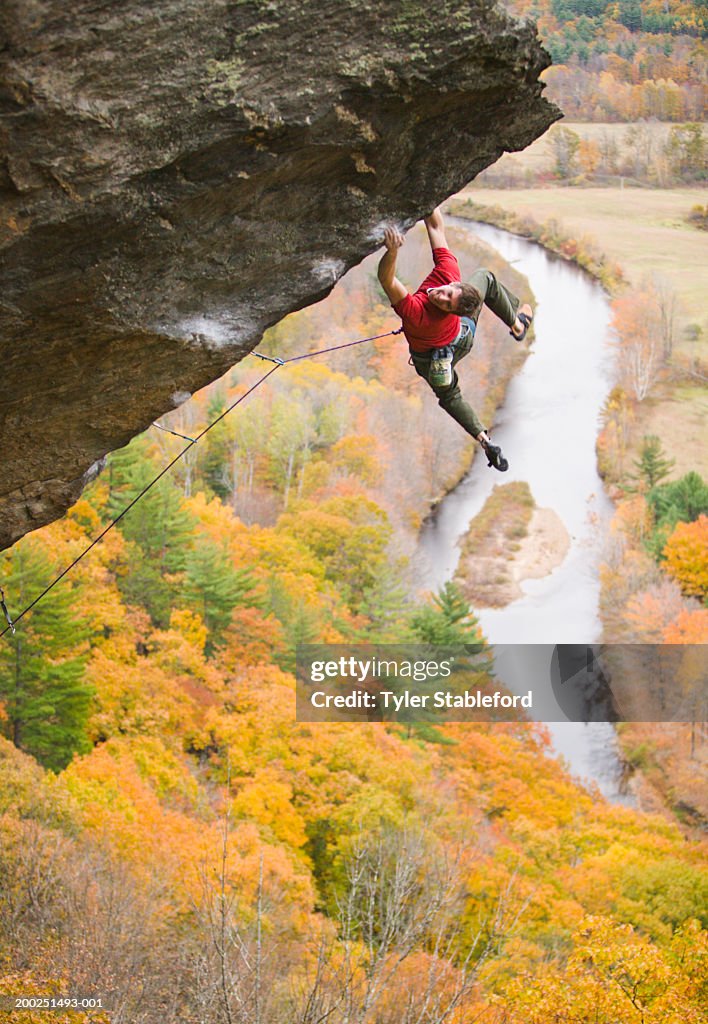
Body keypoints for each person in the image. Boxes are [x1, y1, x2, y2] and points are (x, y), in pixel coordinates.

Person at [377, 206, 533, 471]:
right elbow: (436, 227)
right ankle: (517, 326)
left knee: (449, 394)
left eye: (447, 302)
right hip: (461, 336)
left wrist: (392, 252)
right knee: (485, 277)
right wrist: (430, 199)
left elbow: (387, 279)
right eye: (449, 291)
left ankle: (483, 438)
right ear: (456, 282)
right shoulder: (448, 272)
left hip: (435, 355)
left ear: (453, 310)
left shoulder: (417, 313)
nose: (441, 295)